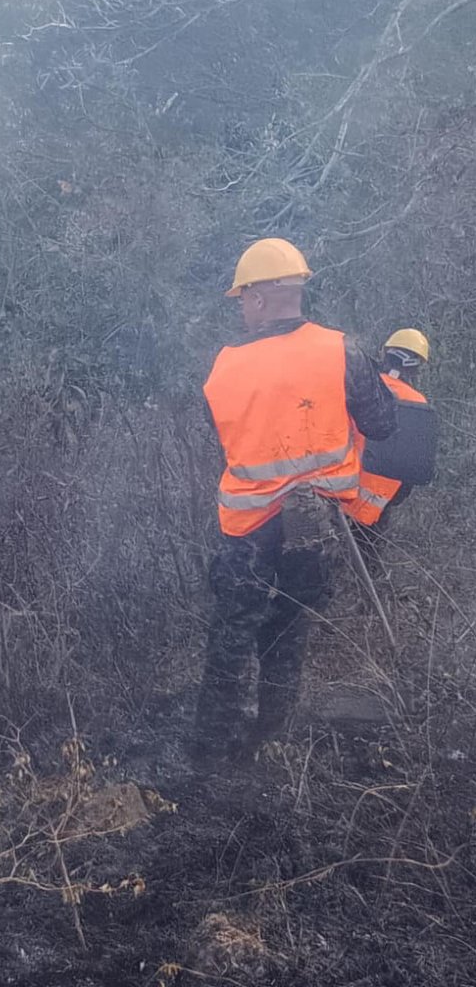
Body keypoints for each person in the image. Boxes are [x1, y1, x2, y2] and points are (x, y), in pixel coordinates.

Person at [194, 238, 397, 759]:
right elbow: (383, 423)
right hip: (316, 522)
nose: (240, 307)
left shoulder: (225, 364)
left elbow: (221, 435)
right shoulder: (341, 350)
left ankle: (211, 755)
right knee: (288, 630)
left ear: (259, 299)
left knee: (231, 637)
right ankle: (272, 739)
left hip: (248, 526)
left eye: (241, 297)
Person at [343, 328, 432, 561]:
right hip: (377, 504)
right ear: (418, 366)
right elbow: (412, 466)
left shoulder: (362, 385)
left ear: (385, 353)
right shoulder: (419, 404)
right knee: (367, 560)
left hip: (337, 490)